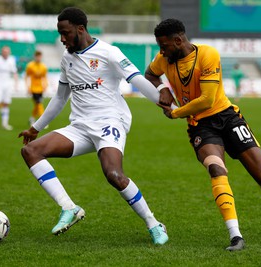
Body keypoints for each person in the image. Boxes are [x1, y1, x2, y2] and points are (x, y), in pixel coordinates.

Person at [18, 7, 170, 245]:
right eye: (59, 33)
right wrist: (36, 127)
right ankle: (69, 208)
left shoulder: (109, 52)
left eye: (65, 33)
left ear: (81, 29)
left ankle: (153, 223)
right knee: (31, 151)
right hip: (79, 127)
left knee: (114, 174)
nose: (62, 39)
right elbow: (60, 98)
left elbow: (137, 79)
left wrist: (163, 103)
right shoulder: (67, 59)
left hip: (111, 122)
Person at [144, 18, 261, 251]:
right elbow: (150, 74)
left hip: (228, 118)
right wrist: (163, 88)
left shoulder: (207, 55)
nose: (161, 52)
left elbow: (207, 100)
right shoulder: (164, 58)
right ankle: (236, 236)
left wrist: (175, 113)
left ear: (179, 40)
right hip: (200, 126)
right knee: (216, 168)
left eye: (164, 46)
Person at [25, 50, 48, 126]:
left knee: (37, 105)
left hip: (40, 88)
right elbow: (26, 76)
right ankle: (43, 121)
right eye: (37, 56)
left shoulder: (43, 67)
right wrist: (28, 87)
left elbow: (44, 77)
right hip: (33, 88)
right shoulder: (30, 65)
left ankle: (32, 118)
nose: (38, 58)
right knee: (39, 103)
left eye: (40, 56)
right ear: (35, 57)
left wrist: (45, 85)